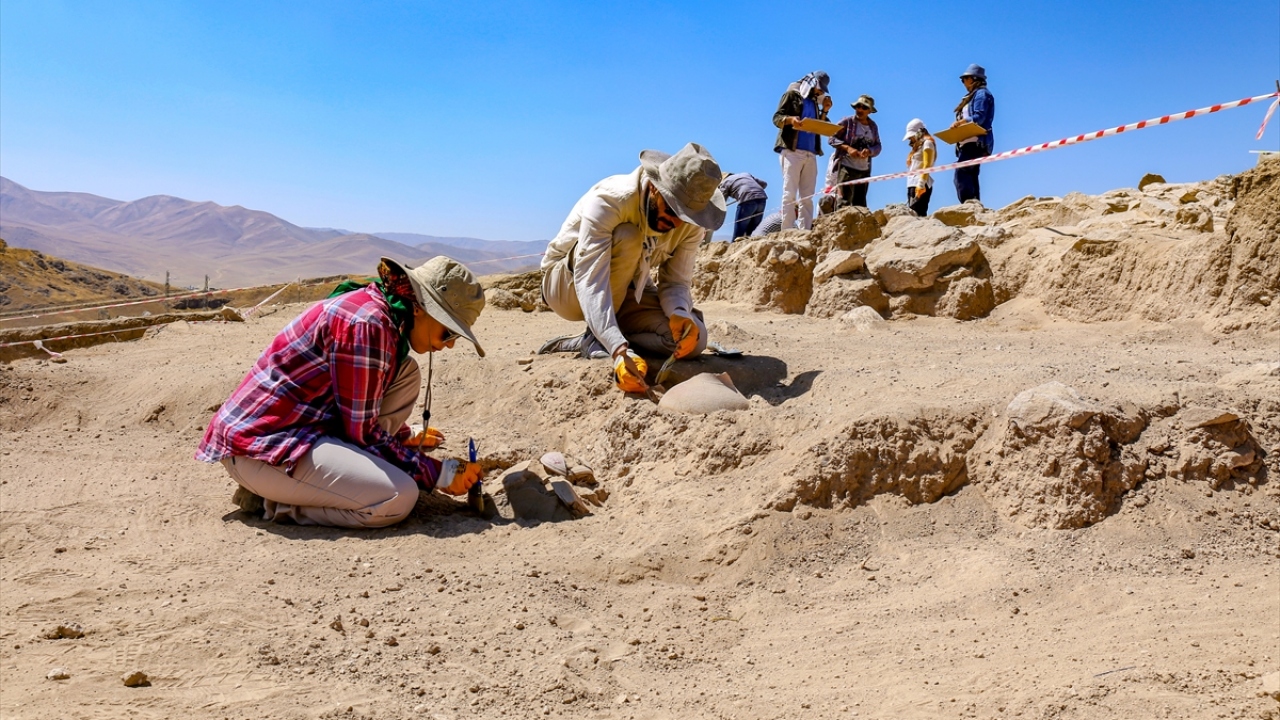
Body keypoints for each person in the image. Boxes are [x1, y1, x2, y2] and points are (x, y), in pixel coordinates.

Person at [195, 256, 487, 528]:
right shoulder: (368, 326)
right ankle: (272, 502)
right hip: (261, 448)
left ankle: (338, 480)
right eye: (449, 331)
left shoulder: (383, 318)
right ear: (420, 307)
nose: (450, 344)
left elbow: (357, 399)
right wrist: (439, 474)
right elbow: (363, 432)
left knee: (405, 372)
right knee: (398, 497)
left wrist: (401, 438)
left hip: (300, 431)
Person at [536, 143, 726, 394]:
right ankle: (598, 336)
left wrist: (679, 313)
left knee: (693, 339)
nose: (675, 222)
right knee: (628, 236)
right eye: (671, 208)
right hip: (568, 287)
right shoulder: (610, 199)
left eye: (685, 215)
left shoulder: (691, 223)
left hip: (630, 289)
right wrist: (616, 348)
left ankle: (601, 335)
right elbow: (590, 280)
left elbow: (676, 283)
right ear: (655, 186)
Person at [772, 71, 829, 230]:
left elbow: (822, 125)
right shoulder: (792, 95)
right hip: (792, 150)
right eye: (820, 88)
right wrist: (791, 120)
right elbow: (777, 118)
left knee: (808, 195)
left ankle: (805, 229)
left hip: (811, 153)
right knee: (789, 193)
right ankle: (788, 229)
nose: (821, 92)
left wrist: (825, 110)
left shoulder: (815, 104)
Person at [951, 63, 995, 203]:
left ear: (973, 78)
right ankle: (974, 205)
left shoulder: (981, 94)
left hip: (975, 142)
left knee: (962, 174)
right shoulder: (971, 96)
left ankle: (968, 205)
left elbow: (979, 117)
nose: (963, 82)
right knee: (971, 175)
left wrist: (961, 123)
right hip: (967, 142)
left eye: (965, 78)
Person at [829, 94, 882, 209]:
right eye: (858, 106)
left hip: (864, 170)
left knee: (860, 204)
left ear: (869, 111)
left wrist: (870, 151)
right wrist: (848, 148)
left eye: (864, 107)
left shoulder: (873, 126)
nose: (860, 110)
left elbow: (878, 146)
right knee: (843, 204)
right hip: (846, 167)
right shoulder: (846, 122)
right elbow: (832, 138)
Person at [719, 172, 768, 240]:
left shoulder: (725, 182)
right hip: (762, 199)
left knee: (739, 233)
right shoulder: (746, 174)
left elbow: (720, 200)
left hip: (747, 200)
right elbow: (764, 184)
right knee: (753, 232)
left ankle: (735, 247)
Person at [903, 118, 936, 216]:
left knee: (918, 215)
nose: (910, 139)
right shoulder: (918, 147)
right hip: (912, 184)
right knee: (913, 215)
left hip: (920, 184)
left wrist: (921, 184)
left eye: (911, 136)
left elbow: (927, 165)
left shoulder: (928, 143)